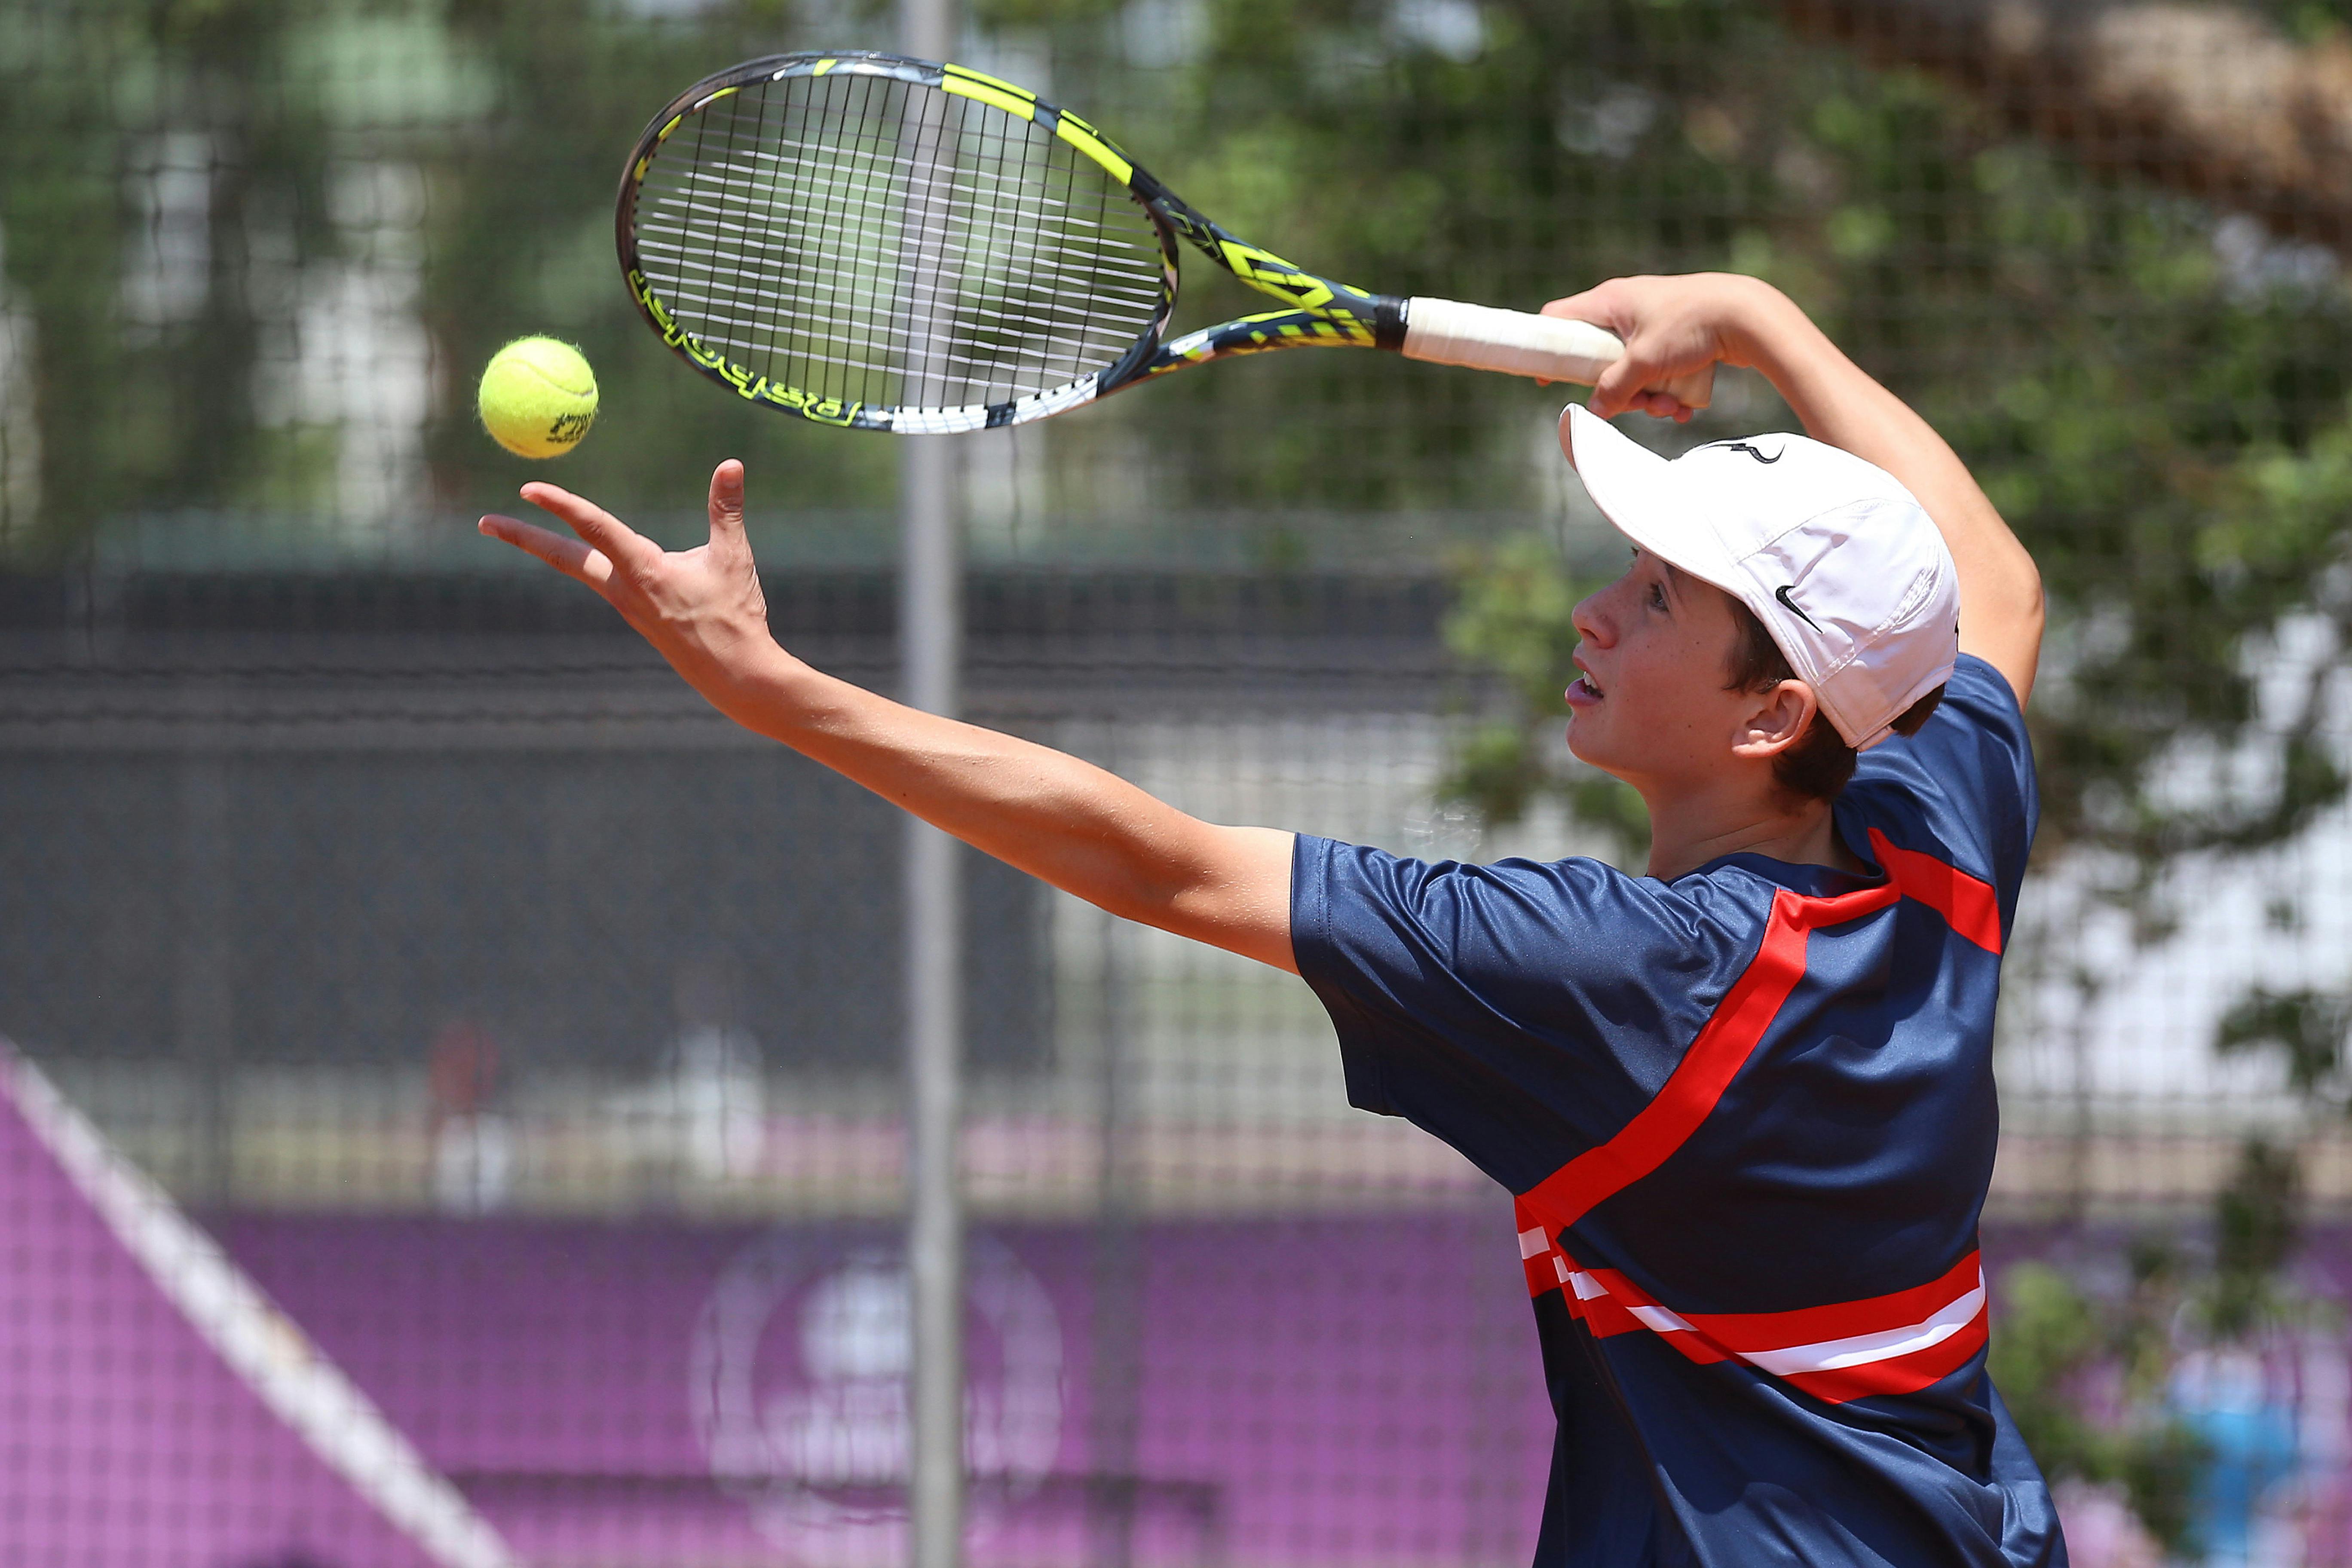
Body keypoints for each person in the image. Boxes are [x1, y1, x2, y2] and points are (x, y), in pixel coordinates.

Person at [480, 271, 2060, 1567]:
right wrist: (1753, 315)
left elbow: (1164, 865)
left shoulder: (1630, 980)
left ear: (1776, 713)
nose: (1596, 606)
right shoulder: (1933, 838)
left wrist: (778, 692)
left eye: (1656, 597)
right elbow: (1993, 586)